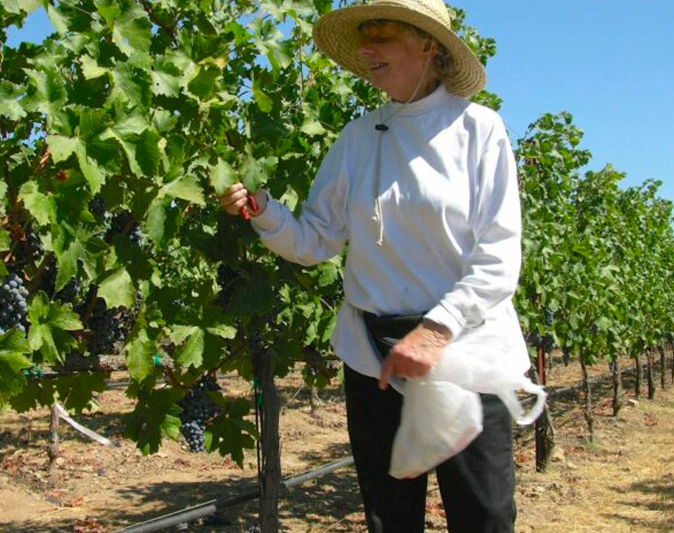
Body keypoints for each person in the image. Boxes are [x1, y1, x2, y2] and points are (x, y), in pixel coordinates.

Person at [221, 0, 529, 531]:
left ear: (429, 45)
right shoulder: (358, 138)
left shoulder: (479, 130)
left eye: (382, 35)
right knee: (389, 518)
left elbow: (499, 255)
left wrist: (435, 330)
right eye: (364, 38)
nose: (367, 50)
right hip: (376, 360)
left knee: (483, 515)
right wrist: (263, 211)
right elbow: (315, 240)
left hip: (466, 354)